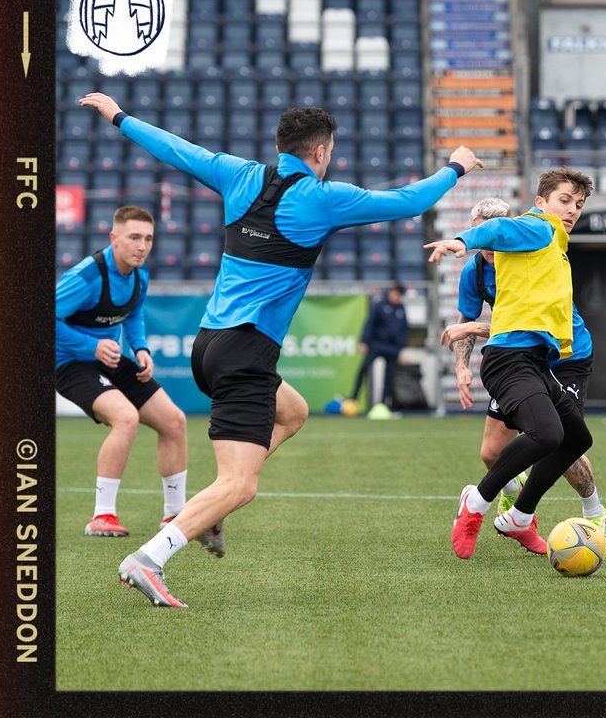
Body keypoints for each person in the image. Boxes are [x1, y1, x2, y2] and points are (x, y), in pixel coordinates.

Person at [77, 91, 482, 608]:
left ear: (280, 145)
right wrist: (456, 167)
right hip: (245, 352)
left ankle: (210, 510)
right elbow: (410, 201)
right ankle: (149, 558)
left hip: (210, 344)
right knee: (241, 484)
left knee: (293, 412)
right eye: (330, 152)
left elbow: (175, 148)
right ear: (320, 152)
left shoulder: (239, 174)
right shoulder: (321, 197)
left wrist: (119, 116)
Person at [424, 168, 594, 559]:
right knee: (546, 435)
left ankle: (518, 517)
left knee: (577, 438)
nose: (570, 210)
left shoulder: (554, 245)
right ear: (540, 203)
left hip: (534, 360)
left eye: (578, 205)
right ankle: (477, 503)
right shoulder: (540, 228)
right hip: (509, 359)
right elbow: (497, 231)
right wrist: (461, 241)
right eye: (563, 201)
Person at [55, 205, 190, 538]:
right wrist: (90, 346)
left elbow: (132, 315)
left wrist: (141, 348)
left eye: (148, 239)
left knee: (174, 422)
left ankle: (175, 516)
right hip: (69, 363)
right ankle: (102, 517)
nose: (142, 246)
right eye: (134, 238)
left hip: (110, 359)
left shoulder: (139, 275)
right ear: (114, 238)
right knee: (126, 418)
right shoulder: (86, 277)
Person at [349, 283, 409, 410]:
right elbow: (370, 324)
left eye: (399, 295)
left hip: (393, 348)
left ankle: (382, 404)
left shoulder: (401, 309)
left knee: (389, 377)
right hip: (376, 344)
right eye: (395, 293)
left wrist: (401, 348)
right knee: (363, 370)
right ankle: (353, 398)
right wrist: (364, 341)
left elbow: (404, 329)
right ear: (390, 292)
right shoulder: (379, 306)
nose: (397, 297)